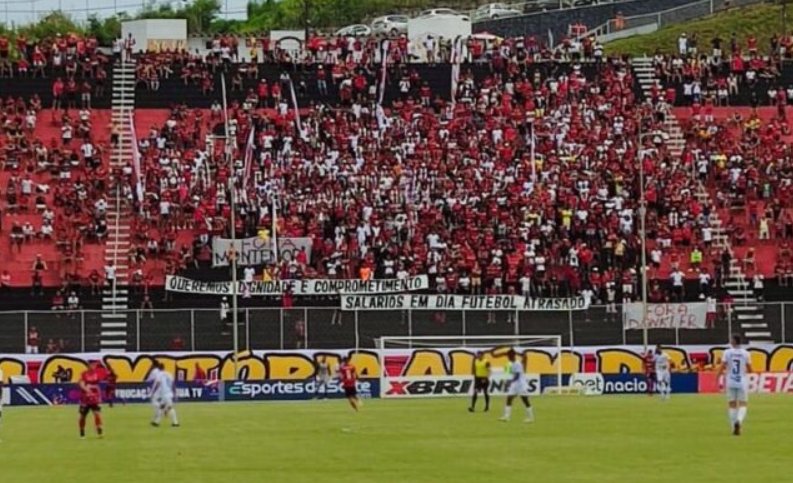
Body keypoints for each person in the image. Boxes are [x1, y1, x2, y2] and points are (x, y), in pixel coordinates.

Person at [718, 335, 753, 436]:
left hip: (730, 381)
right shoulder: (746, 353)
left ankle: (734, 427)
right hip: (741, 381)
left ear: (733, 342)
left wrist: (717, 376)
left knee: (732, 404)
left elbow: (722, 366)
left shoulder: (727, 352)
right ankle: (739, 421)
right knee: (743, 404)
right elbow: (750, 369)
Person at [499, 349, 534, 423]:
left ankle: (530, 417)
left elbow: (517, 376)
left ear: (512, 355)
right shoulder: (512, 363)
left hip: (521, 384)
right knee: (509, 398)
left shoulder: (517, 364)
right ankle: (506, 417)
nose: (508, 358)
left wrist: (509, 382)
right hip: (515, 384)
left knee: (525, 400)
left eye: (509, 356)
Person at [148, 362, 179, 427]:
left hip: (165, 394)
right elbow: (173, 385)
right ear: (164, 367)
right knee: (161, 407)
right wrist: (175, 393)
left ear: (159, 368)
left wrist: (153, 392)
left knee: (169, 408)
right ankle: (156, 422)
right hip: (169, 393)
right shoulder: (169, 374)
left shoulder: (159, 375)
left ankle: (175, 423)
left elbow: (158, 384)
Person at [78, 361, 104, 439]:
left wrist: (99, 396)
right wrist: (87, 390)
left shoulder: (96, 375)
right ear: (88, 365)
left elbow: (97, 386)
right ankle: (82, 431)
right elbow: (81, 383)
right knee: (83, 416)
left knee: (97, 414)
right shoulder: (84, 374)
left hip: (94, 399)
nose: (94, 366)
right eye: (92, 365)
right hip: (85, 399)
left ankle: (99, 428)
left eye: (95, 365)